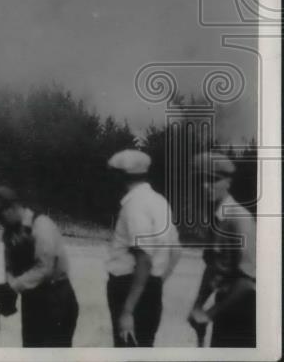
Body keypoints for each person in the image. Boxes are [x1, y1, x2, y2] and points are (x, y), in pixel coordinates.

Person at [0, 185, 79, 346]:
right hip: (32, 300)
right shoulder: (9, 233)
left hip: (56, 299)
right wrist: (9, 292)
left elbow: (44, 269)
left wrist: (13, 287)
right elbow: (10, 266)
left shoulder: (41, 225)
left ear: (11, 208)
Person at [104, 149, 181, 348]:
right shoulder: (159, 201)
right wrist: (155, 283)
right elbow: (176, 251)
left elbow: (144, 259)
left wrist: (128, 310)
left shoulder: (134, 206)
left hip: (129, 289)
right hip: (147, 288)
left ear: (121, 176)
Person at [188, 151, 256, 347]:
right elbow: (213, 269)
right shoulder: (216, 218)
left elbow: (248, 283)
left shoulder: (239, 219)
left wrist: (209, 314)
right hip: (225, 307)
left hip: (245, 313)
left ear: (228, 182)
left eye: (213, 180)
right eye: (199, 180)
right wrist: (198, 304)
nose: (204, 186)